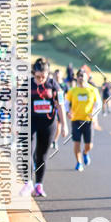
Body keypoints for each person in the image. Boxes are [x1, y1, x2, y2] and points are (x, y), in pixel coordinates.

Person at [27, 57, 68, 197]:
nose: (40, 80)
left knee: (41, 155)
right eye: (37, 77)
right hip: (30, 121)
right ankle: (27, 183)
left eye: (43, 77)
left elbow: (60, 105)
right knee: (27, 151)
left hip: (48, 123)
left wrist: (64, 125)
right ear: (33, 73)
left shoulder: (54, 86)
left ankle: (39, 185)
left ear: (48, 74)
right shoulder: (27, 85)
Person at [66, 69, 101, 171]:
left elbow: (98, 104)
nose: (81, 77)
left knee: (89, 145)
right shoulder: (72, 90)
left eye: (82, 75)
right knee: (76, 143)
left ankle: (85, 153)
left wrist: (94, 114)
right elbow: (66, 103)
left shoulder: (93, 90)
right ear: (77, 78)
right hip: (76, 120)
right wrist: (68, 112)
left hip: (88, 121)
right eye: (79, 75)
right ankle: (79, 162)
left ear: (87, 77)